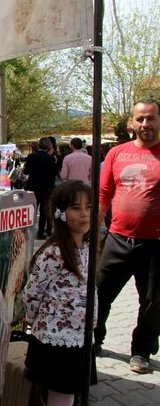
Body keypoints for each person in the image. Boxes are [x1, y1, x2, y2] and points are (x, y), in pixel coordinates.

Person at [94, 98, 160, 374]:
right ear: (132, 122)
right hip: (118, 239)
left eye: (151, 118)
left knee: (153, 303)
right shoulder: (116, 154)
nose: (145, 124)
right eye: (140, 119)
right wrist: (93, 232)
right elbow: (103, 195)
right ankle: (93, 339)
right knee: (98, 293)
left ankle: (141, 350)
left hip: (155, 245)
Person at [23, 179, 97, 406]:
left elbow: (90, 289)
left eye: (89, 207)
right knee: (62, 394)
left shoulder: (88, 247)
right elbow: (32, 292)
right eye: (76, 208)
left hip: (80, 335)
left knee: (70, 392)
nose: (84, 214)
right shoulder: (53, 254)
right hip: (56, 337)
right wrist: (34, 319)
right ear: (60, 213)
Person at [24, 137, 58, 239]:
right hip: (46, 189)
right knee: (43, 212)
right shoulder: (51, 159)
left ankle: (28, 232)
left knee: (31, 210)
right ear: (48, 146)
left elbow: (26, 171)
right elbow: (54, 174)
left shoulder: (31, 157)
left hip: (32, 187)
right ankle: (40, 232)